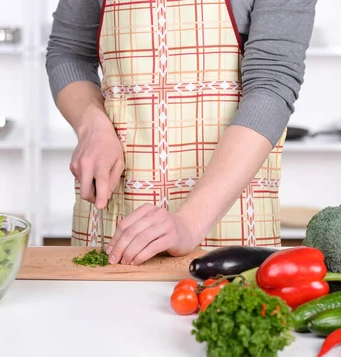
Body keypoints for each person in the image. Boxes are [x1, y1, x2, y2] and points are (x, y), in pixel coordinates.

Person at [46, 0, 317, 266]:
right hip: (114, 210)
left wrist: (190, 221)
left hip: (231, 222)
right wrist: (92, 124)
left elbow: (272, 81)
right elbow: (70, 52)